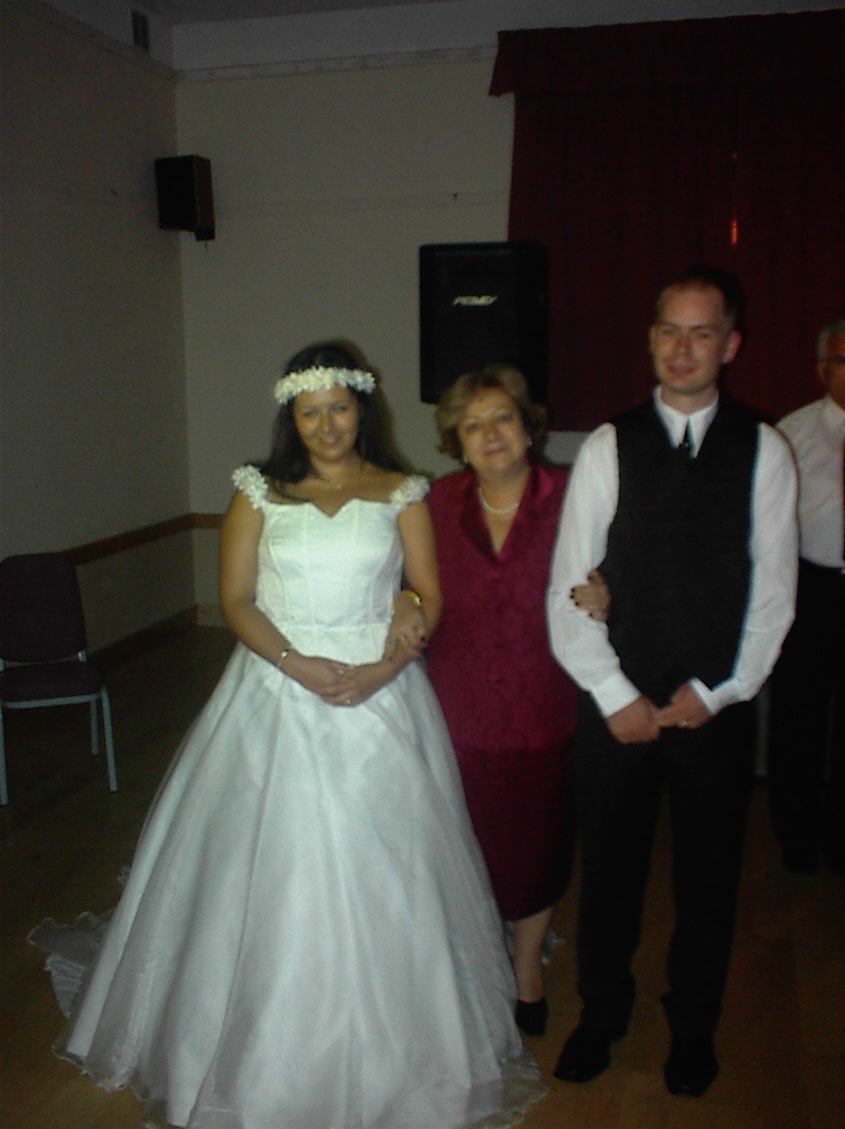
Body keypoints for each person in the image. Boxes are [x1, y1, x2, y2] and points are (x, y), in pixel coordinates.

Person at [47, 344, 544, 1129]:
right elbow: (237, 600)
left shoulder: (402, 491)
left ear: (362, 408)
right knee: (266, 867)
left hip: (380, 693)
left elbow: (427, 591)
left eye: (338, 408)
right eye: (309, 412)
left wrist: (385, 663)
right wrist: (294, 664)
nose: (325, 425)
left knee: (392, 870)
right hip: (276, 688)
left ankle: (405, 1050)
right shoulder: (258, 491)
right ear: (291, 418)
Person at [547, 267, 798, 1098]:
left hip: (710, 707)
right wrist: (614, 694)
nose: (682, 348)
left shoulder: (765, 448)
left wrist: (721, 692)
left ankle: (693, 1027)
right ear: (651, 338)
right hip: (616, 704)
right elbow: (569, 583)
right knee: (608, 873)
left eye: (701, 333)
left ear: (730, 345)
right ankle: (601, 1014)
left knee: (709, 879)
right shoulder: (608, 444)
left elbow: (774, 593)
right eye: (668, 331)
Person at [415, 365, 606, 1041]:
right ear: (456, 442)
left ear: (529, 427)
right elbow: (405, 581)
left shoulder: (572, 495)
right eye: (473, 425)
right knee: (463, 847)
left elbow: (622, 562)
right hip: (456, 711)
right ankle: (472, 960)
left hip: (545, 706)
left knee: (537, 851)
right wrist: (405, 604)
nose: (490, 434)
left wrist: (610, 591)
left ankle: (526, 970)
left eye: (502, 417)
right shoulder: (435, 503)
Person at [767, 317, 845, 877]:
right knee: (798, 719)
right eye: (844, 361)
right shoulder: (792, 433)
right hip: (811, 588)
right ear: (821, 369)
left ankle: (844, 837)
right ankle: (796, 836)